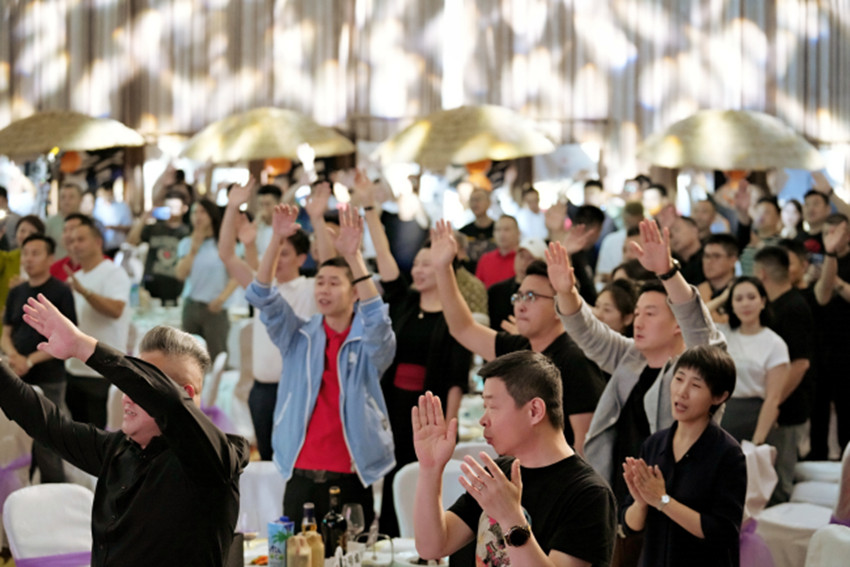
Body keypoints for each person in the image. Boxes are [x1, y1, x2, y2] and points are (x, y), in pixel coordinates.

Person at [3, 294, 250, 566]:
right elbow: (45, 423)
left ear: (186, 394)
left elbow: (170, 403)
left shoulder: (214, 459)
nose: (126, 397)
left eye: (136, 386)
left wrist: (83, 346)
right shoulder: (119, 449)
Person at [549, 219, 725, 507]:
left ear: (678, 324)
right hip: (620, 492)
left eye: (651, 314)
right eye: (638, 313)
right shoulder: (631, 357)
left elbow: (700, 329)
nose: (639, 322)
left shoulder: (697, 366)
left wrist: (668, 273)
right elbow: (587, 332)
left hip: (675, 498)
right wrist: (565, 292)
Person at [245, 204, 395, 531]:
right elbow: (261, 295)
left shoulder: (367, 343)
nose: (324, 289)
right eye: (320, 282)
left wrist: (354, 258)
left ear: (354, 292)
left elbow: (377, 319)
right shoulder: (298, 335)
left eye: (334, 283)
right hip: (299, 472)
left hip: (351, 474)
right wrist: (275, 240)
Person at [412, 352, 617, 567]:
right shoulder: (499, 472)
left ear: (534, 411)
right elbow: (431, 547)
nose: (483, 420)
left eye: (492, 407)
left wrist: (511, 518)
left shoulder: (589, 494)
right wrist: (430, 468)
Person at [352, 172, 472, 536]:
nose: (419, 270)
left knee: (421, 480)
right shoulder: (404, 301)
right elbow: (385, 256)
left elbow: (456, 378)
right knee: (390, 481)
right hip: (391, 406)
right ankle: (390, 540)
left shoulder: (455, 315)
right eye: (417, 264)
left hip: (428, 410)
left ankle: (424, 543)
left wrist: (447, 428)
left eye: (427, 264)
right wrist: (369, 207)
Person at [431, 220, 604, 456]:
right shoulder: (520, 348)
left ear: (558, 307)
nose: (521, 306)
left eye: (531, 297)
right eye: (519, 297)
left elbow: (587, 444)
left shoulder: (574, 359)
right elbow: (463, 329)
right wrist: (443, 269)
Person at [219, 181, 319, 462]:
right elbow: (226, 254)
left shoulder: (312, 288)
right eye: (274, 252)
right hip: (262, 389)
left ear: (301, 258)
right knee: (267, 459)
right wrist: (232, 206)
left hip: (299, 387)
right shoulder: (262, 287)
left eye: (284, 253)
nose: (277, 260)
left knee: (299, 461)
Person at [621, 345, 746, 567]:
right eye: (679, 379)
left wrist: (662, 500)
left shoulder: (728, 455)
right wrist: (641, 503)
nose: (682, 392)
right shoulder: (654, 444)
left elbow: (723, 531)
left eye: (696, 385)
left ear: (719, 397)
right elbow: (630, 526)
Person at [2, 234, 76, 482]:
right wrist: (14, 355)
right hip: (17, 374)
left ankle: (57, 496)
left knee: (49, 443)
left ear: (50, 258)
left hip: (49, 376)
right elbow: (6, 332)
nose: (28, 259)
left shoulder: (61, 292)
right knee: (14, 439)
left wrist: (30, 360)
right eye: (26, 253)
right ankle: (25, 495)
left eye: (36, 253)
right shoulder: (17, 291)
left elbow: (68, 340)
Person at [752, 246, 815, 504]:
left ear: (762, 273)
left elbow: (800, 364)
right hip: (776, 407)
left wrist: (773, 404)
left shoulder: (794, 307)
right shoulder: (775, 306)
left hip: (787, 411)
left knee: (778, 484)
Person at [63, 217, 132, 428]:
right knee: (81, 438)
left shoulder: (113, 272)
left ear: (98, 242)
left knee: (103, 438)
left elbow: (115, 310)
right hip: (74, 368)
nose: (75, 245)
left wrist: (84, 292)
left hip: (102, 370)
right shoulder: (77, 276)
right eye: (72, 240)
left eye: (81, 239)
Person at [717, 276, 790, 445]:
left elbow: (773, 398)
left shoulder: (774, 343)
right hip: (722, 415)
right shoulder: (723, 334)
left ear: (762, 301)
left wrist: (758, 439)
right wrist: (722, 297)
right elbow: (693, 320)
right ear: (732, 305)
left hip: (755, 417)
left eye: (751, 297)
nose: (745, 304)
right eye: (738, 298)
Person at [176, 199, 239, 361]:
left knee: (217, 357)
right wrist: (194, 249)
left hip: (215, 309)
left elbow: (236, 276)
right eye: (194, 212)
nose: (198, 216)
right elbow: (180, 274)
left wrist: (221, 299)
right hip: (191, 306)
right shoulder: (186, 243)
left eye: (202, 212)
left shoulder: (224, 243)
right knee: (187, 358)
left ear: (212, 215)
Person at [812, 214, 850, 453]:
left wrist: (834, 278)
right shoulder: (822, 259)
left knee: (847, 408)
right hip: (822, 343)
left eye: (837, 232)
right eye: (827, 233)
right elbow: (822, 297)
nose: (832, 237)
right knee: (818, 409)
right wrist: (830, 255)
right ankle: (818, 456)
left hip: (847, 345)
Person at [128, 190, 191, 304]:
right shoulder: (154, 228)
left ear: (184, 208)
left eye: (176, 206)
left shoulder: (187, 233)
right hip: (151, 281)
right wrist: (144, 218)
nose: (172, 210)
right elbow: (131, 241)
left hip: (174, 284)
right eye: (169, 206)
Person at [488, 237, 547, 332]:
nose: (524, 263)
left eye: (531, 259)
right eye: (521, 256)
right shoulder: (495, 291)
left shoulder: (545, 296)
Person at [0, 215, 44, 310]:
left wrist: (27, 287)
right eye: (22, 231)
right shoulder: (6, 258)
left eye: (32, 232)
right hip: (6, 318)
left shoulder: (45, 263)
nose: (26, 235)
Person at [596, 202, 645, 287]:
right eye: (624, 250)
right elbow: (601, 277)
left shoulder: (647, 240)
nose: (628, 255)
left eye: (634, 250)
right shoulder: (611, 240)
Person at [697, 233, 739, 322]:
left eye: (716, 256)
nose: (709, 261)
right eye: (706, 256)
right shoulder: (697, 290)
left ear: (733, 260)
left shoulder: (742, 289)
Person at [475, 215, 521, 288]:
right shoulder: (485, 259)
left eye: (507, 229)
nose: (501, 234)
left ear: (518, 233)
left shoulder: (524, 260)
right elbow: (478, 288)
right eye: (498, 230)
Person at [459, 188, 497, 272]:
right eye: (472, 200)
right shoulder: (463, 232)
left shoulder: (498, 229)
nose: (475, 204)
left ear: (489, 203)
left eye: (478, 199)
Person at [92, 181, 133, 257]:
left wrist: (112, 227)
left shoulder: (122, 206)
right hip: (103, 248)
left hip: (119, 246)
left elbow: (129, 227)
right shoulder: (97, 209)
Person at [45, 182, 83, 258]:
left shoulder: (90, 224)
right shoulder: (48, 223)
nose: (66, 201)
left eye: (71, 197)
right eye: (63, 197)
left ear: (80, 199)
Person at [669, 216, 704, 285]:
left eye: (677, 230)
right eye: (669, 234)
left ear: (694, 229)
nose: (673, 236)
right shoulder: (671, 265)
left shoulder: (709, 257)